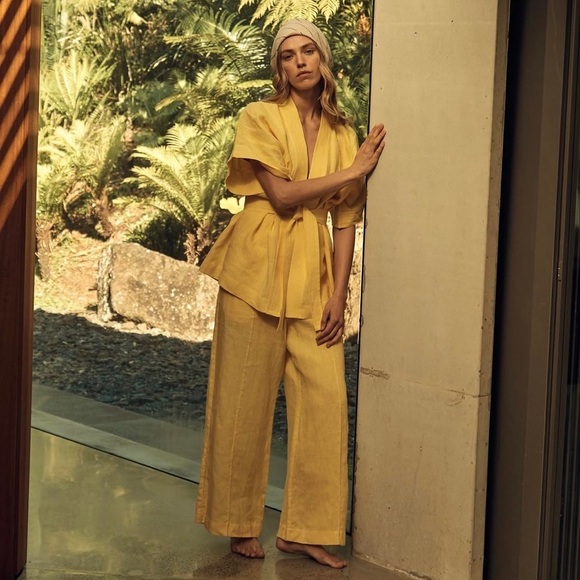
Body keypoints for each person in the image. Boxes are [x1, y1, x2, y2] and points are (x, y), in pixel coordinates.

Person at [195, 18, 386, 569]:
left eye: (308, 51)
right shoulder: (258, 116)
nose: (299, 61)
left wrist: (340, 294)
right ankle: (237, 523)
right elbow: (279, 196)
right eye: (287, 55)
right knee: (242, 400)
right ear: (278, 67)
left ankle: (305, 529)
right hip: (253, 268)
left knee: (325, 400)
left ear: (323, 59)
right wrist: (352, 171)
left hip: (313, 274)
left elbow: (345, 221)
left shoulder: (344, 135)